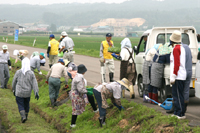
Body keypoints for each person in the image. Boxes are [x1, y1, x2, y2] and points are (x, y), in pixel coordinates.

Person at [12, 50, 39, 123]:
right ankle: (26, 116)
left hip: (19, 92)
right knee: (26, 104)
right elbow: (34, 83)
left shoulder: (18, 72)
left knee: (20, 104)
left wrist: (13, 90)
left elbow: (14, 81)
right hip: (27, 93)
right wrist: (36, 92)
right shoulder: (31, 73)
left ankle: (23, 116)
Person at [167, 43, 192, 114]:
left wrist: (174, 75)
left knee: (178, 93)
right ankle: (183, 108)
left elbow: (177, 63)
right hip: (189, 71)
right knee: (185, 90)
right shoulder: (187, 47)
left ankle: (179, 110)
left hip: (181, 72)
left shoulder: (179, 48)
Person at [169, 30, 187, 119]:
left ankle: (180, 114)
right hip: (181, 74)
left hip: (178, 75)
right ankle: (177, 112)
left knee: (177, 95)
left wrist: (174, 75)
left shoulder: (176, 49)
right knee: (178, 95)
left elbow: (177, 63)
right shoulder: (182, 48)